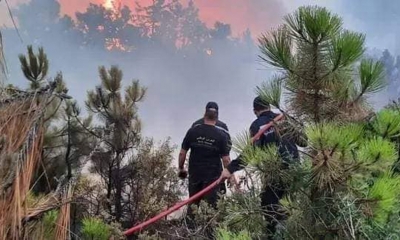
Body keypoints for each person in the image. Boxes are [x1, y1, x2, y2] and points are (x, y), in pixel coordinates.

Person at [220, 96, 307, 238]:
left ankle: (276, 236)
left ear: (255, 111)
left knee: (269, 207)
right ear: (269, 106)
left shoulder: (257, 125)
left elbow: (251, 152)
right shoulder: (285, 118)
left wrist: (229, 169)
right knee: (291, 207)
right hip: (295, 171)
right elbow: (304, 142)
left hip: (275, 173)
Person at [178, 104, 231, 233]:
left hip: (195, 174)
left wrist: (181, 169)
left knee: (193, 203)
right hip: (213, 177)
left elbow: (182, 153)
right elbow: (226, 159)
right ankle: (210, 234)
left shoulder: (193, 129)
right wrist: (230, 175)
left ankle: (189, 233)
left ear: (204, 114)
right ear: (217, 116)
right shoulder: (222, 132)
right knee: (212, 207)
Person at [191, 101, 232, 194]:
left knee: (194, 201)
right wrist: (230, 173)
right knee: (215, 202)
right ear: (217, 114)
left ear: (205, 112)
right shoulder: (223, 127)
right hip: (215, 170)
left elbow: (187, 147)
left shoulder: (196, 125)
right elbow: (227, 151)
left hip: (195, 170)